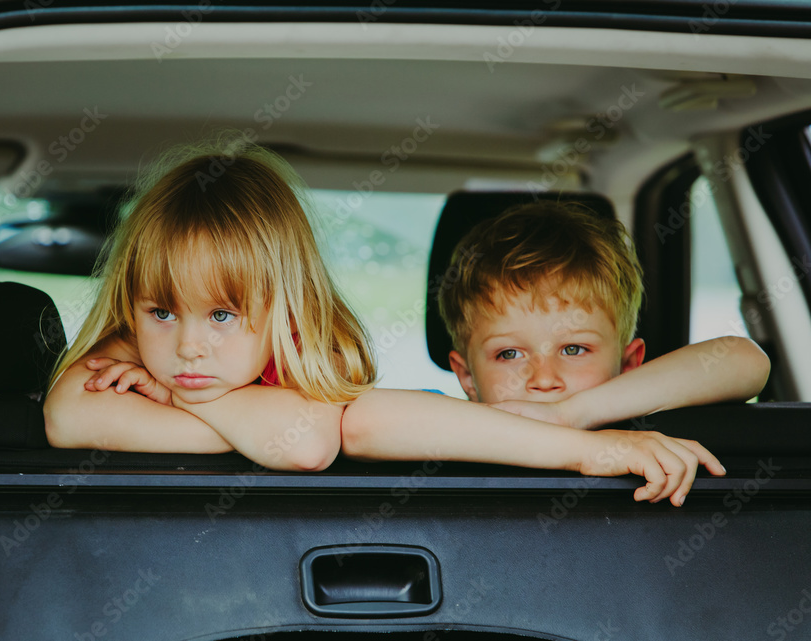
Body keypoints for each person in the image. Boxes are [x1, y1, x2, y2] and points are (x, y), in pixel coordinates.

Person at [43, 137, 728, 506]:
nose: (188, 344)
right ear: (133, 303)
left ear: (288, 313)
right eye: (161, 310)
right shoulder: (133, 353)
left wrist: (575, 421)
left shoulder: (306, 369)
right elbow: (67, 418)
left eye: (223, 312)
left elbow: (742, 359)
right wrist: (221, 406)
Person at [433, 200, 771, 429]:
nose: (544, 380)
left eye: (574, 349)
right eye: (509, 354)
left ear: (629, 365)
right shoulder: (446, 431)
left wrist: (568, 415)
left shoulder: (635, 429)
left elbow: (745, 360)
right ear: (466, 378)